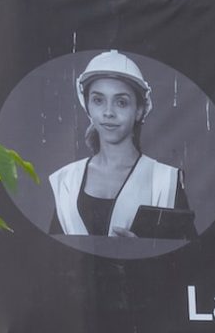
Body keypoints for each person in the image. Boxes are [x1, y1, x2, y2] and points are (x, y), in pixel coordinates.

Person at [49, 51, 191, 240]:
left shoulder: (165, 180)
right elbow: (52, 254)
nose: (108, 112)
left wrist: (145, 253)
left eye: (121, 102)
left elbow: (192, 256)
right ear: (87, 106)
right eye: (98, 100)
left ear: (139, 110)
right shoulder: (67, 180)